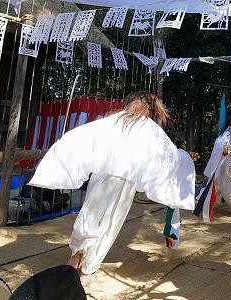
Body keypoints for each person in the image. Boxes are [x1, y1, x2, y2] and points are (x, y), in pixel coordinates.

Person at [28, 92, 195, 286]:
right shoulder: (152, 130)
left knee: (89, 215)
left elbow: (83, 136)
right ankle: (88, 271)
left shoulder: (114, 121)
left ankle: (75, 257)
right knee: (110, 224)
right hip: (125, 183)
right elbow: (169, 157)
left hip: (103, 176)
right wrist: (185, 158)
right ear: (152, 109)